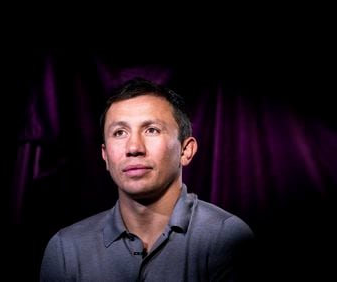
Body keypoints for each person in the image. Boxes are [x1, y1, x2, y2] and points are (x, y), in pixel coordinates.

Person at [40, 77, 255, 281]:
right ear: (105, 156)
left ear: (185, 150)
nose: (134, 148)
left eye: (151, 130)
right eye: (119, 133)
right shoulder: (66, 249)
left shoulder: (227, 239)